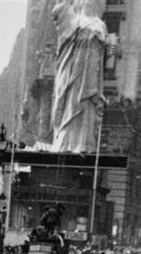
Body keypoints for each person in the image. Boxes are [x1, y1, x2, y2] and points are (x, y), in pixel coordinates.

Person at [51, 0, 107, 152]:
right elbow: (58, 11)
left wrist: (113, 47)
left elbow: (106, 57)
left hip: (89, 78)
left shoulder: (100, 26)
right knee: (71, 107)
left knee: (85, 110)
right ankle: (66, 143)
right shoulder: (73, 21)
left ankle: (83, 145)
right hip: (72, 75)